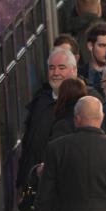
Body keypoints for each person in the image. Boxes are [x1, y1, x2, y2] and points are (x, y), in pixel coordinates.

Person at [17, 48, 80, 188]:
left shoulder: (83, 102)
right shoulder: (40, 101)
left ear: (74, 70)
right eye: (52, 68)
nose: (56, 73)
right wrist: (23, 181)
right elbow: (29, 144)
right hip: (37, 184)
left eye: (61, 68)